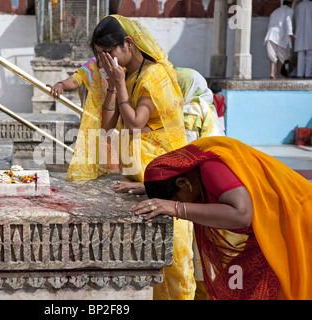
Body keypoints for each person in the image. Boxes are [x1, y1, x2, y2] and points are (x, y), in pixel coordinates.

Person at [90, 15, 195, 300]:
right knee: (150, 269)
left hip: (171, 181)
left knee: (175, 264)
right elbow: (107, 126)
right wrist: (113, 85)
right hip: (143, 180)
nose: (106, 62)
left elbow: (135, 124)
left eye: (109, 54)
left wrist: (119, 83)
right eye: (100, 57)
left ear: (128, 43)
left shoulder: (155, 75)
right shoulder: (128, 76)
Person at [132, 136, 312, 300]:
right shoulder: (194, 166)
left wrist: (177, 208)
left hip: (298, 223)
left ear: (182, 182)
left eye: (178, 197)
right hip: (278, 229)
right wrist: (150, 186)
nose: (178, 203)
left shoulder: (211, 168)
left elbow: (241, 215)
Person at [263, 1, 295, 79]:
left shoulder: (275, 11)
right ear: (290, 4)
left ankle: (272, 73)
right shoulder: (290, 10)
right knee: (281, 55)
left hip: (271, 34)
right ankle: (278, 73)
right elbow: (288, 21)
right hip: (280, 36)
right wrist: (290, 33)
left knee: (272, 55)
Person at [294, 0, 312, 78]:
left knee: (300, 54)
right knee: (310, 54)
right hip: (309, 32)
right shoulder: (311, 5)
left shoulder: (297, 6)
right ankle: (308, 74)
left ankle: (300, 74)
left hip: (299, 32)